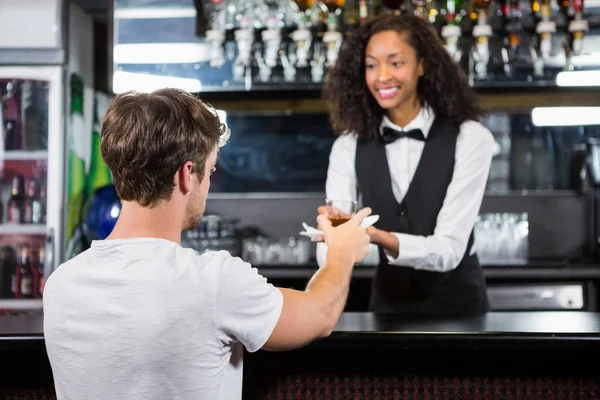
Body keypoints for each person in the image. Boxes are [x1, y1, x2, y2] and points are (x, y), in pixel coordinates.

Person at [42, 88, 372, 400]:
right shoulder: (213, 281)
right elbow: (320, 314)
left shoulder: (60, 285)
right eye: (210, 170)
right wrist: (342, 250)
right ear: (187, 174)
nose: (209, 183)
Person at [319, 14, 495, 316]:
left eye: (396, 63)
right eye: (372, 65)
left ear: (422, 65)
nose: (382, 76)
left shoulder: (470, 137)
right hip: (387, 312)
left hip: (461, 314)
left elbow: (450, 250)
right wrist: (334, 235)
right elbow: (330, 249)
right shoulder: (348, 145)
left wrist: (374, 236)